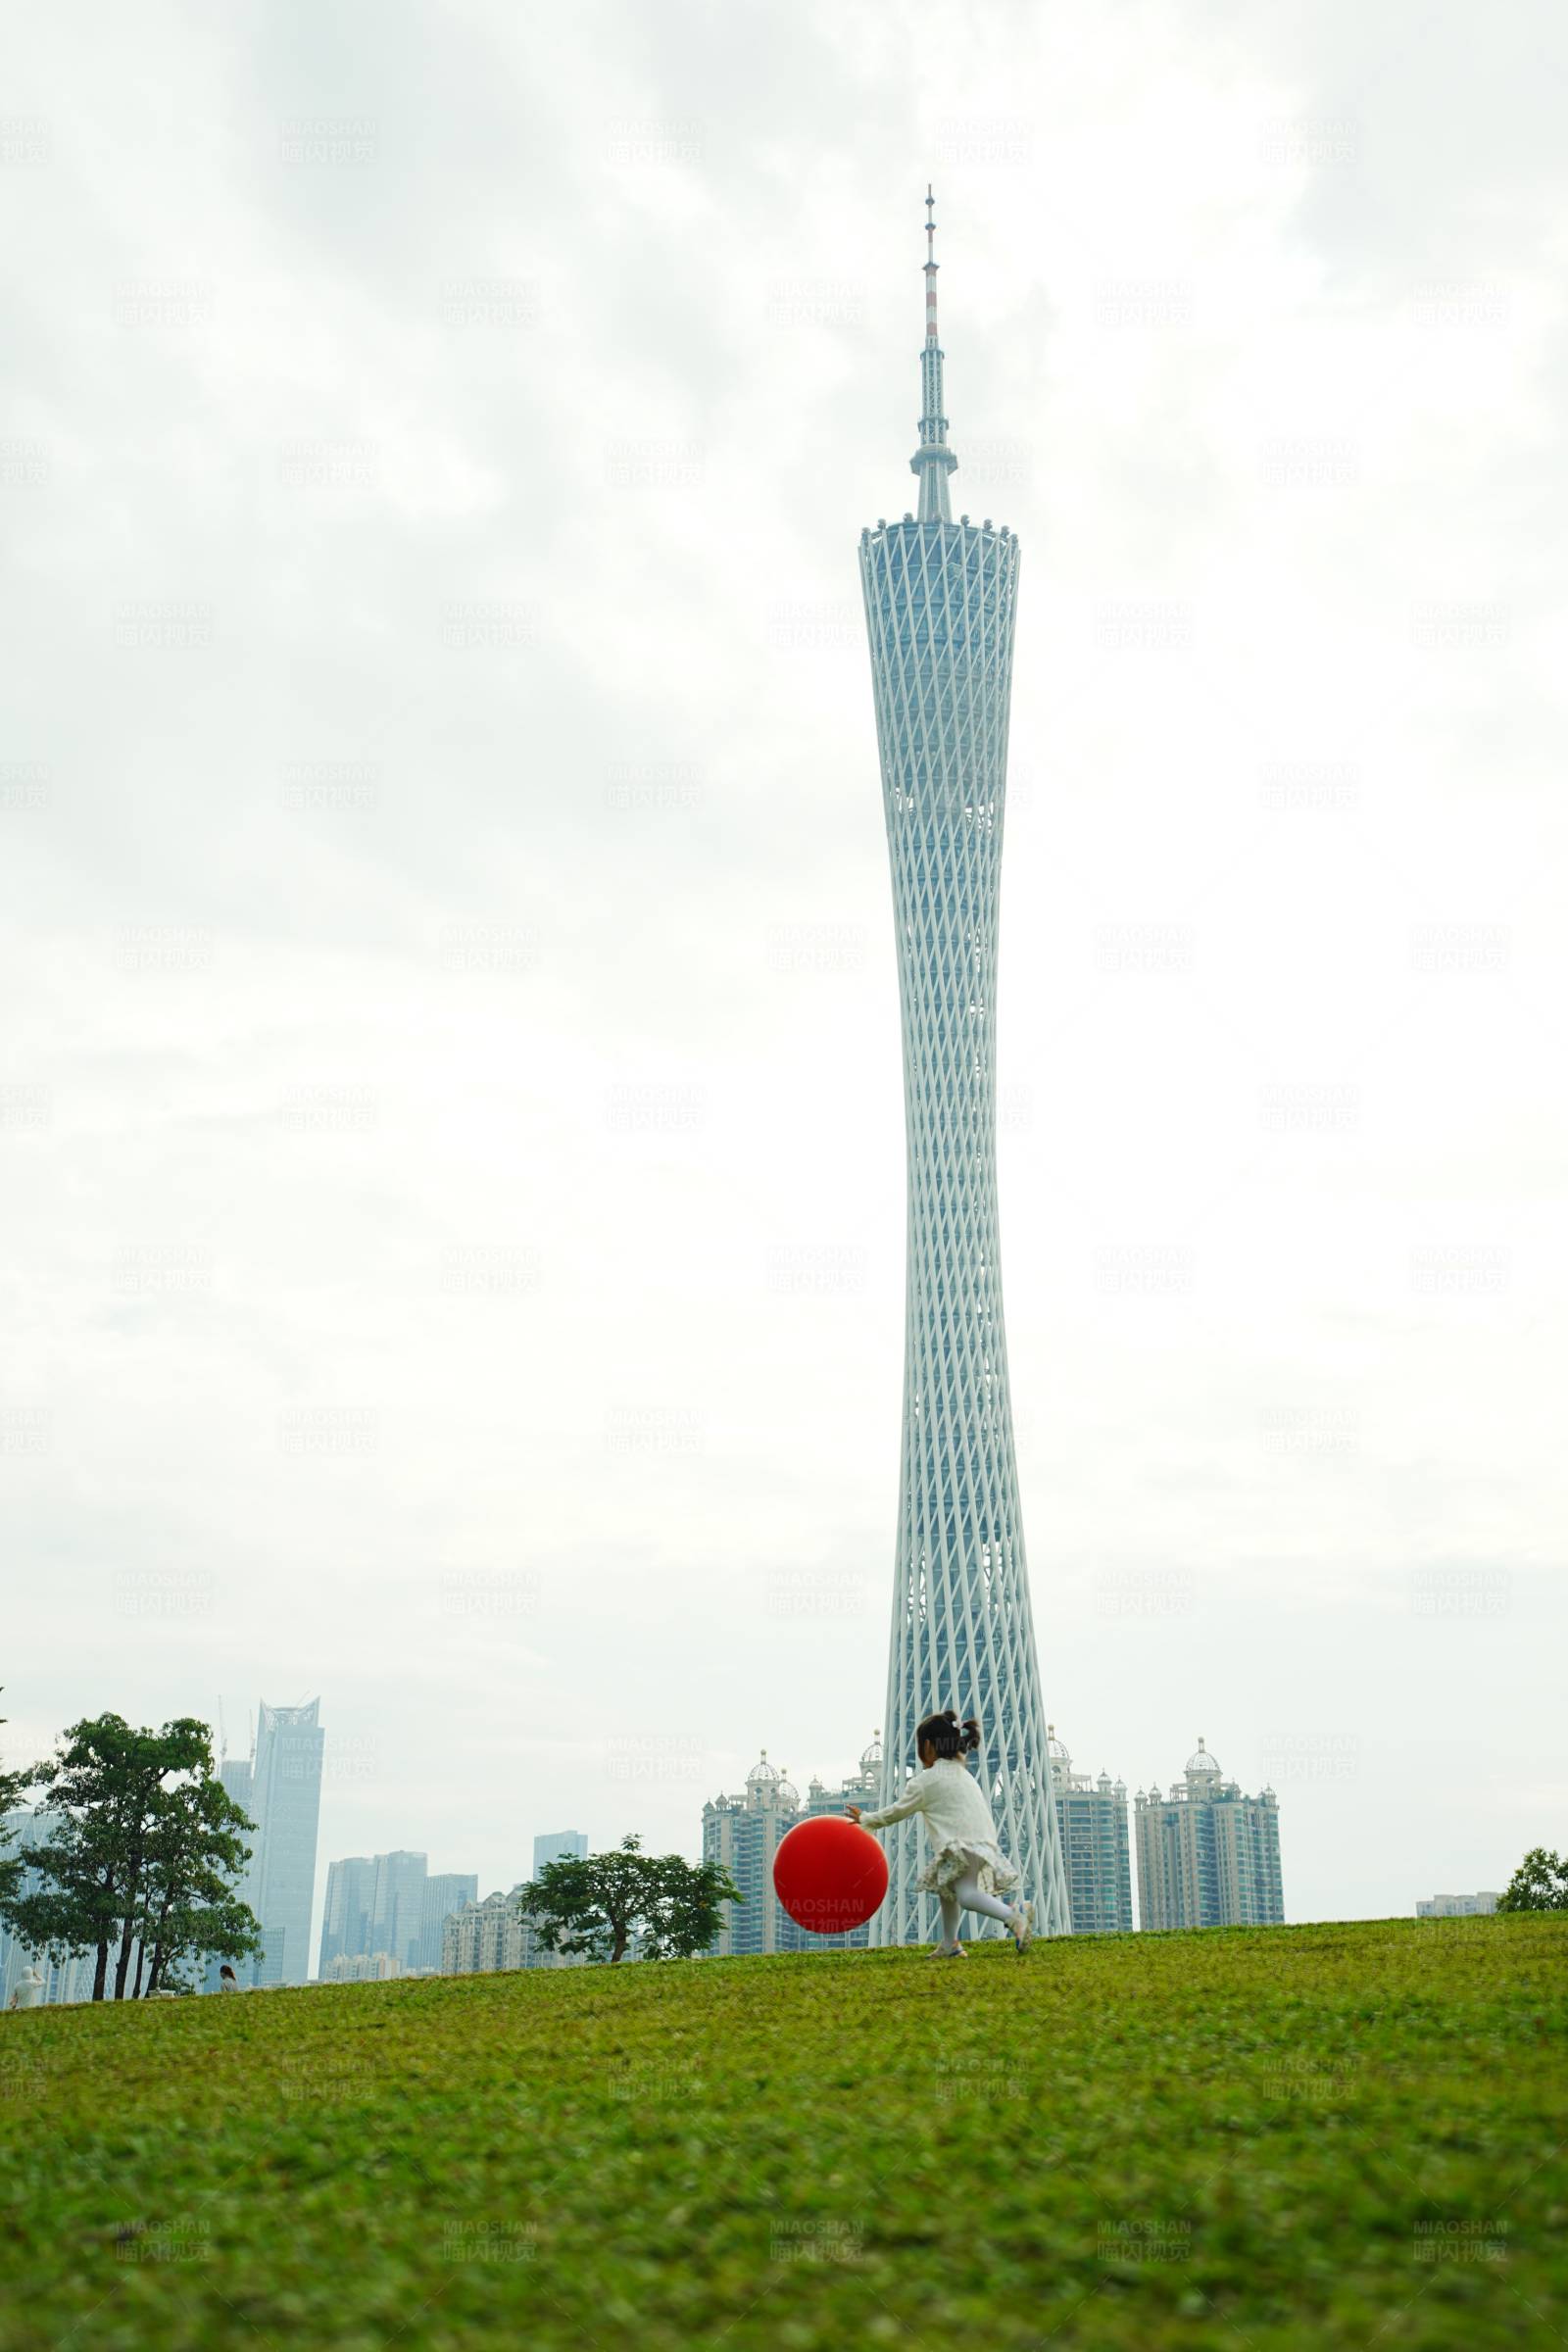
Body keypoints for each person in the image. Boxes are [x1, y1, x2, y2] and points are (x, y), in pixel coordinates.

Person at [847, 1709, 1034, 1958]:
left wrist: (866, 1819)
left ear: (927, 1746)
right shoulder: (962, 1774)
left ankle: (1014, 1915)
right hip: (981, 1839)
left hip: (961, 1843)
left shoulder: (926, 1781)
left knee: (966, 1895)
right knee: (948, 1889)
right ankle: (950, 1945)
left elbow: (897, 1811)